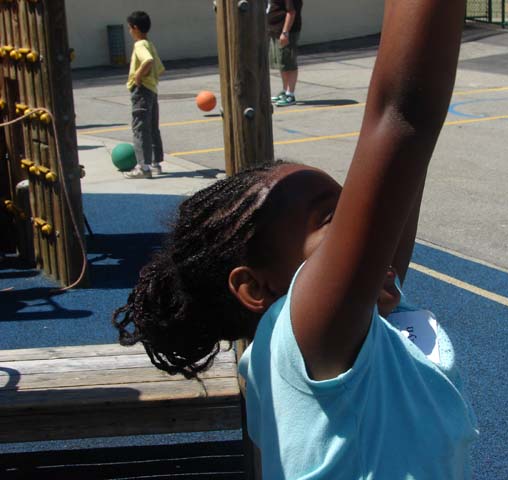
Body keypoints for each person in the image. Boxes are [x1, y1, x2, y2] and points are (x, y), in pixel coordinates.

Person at [113, 0, 478, 477]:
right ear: (255, 288)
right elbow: (403, 113)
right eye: (332, 221)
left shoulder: (355, 326)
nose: (360, 230)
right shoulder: (308, 335)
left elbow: (404, 170)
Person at [124, 11, 165, 179]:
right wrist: (151, 79)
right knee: (152, 127)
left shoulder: (140, 45)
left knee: (140, 128)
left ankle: (143, 167)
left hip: (141, 92)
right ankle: (155, 163)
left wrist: (138, 76)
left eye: (129, 28)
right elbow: (159, 68)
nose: (129, 31)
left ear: (135, 28)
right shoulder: (149, 44)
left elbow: (148, 61)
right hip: (152, 90)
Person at [267, 0, 303, 107]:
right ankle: (285, 91)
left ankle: (290, 95)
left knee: (289, 63)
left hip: (287, 33)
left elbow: (291, 12)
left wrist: (285, 33)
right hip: (276, 31)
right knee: (282, 63)